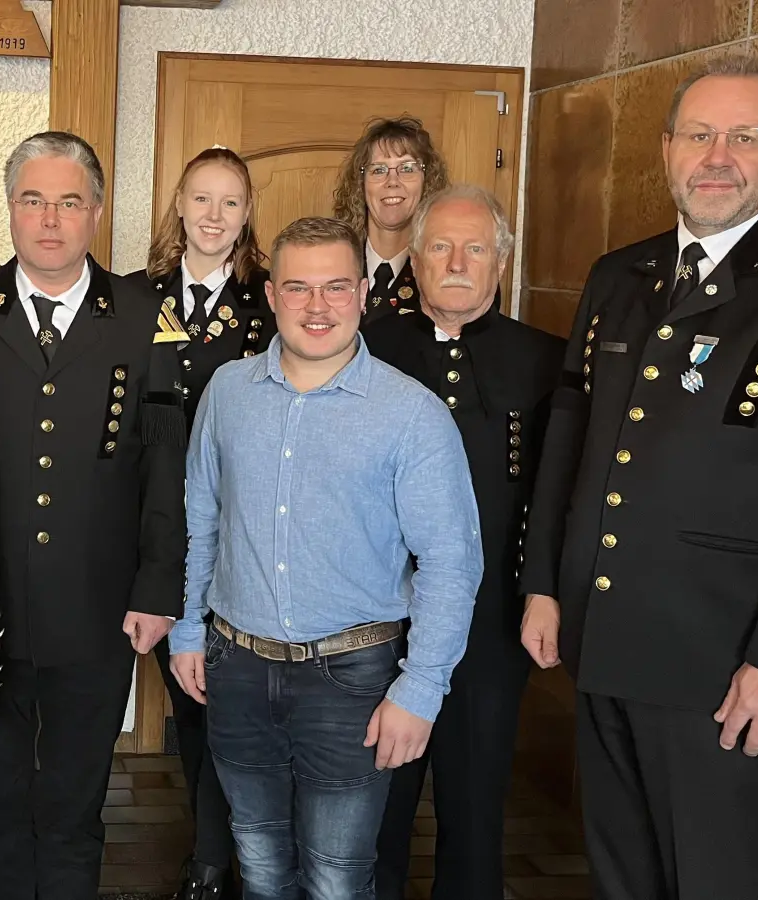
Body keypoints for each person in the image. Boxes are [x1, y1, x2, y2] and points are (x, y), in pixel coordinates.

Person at [519, 55, 758, 899]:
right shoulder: (618, 277)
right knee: (625, 876)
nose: (719, 155)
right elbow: (571, 443)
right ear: (667, 147)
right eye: (700, 134)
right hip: (605, 639)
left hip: (728, 666)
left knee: (725, 883)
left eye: (746, 136)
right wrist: (543, 586)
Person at [169, 215, 482, 900]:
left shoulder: (412, 414)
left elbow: (452, 563)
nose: (318, 307)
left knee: (338, 879)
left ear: (364, 292)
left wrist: (422, 688)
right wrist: (188, 628)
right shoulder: (226, 393)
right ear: (273, 294)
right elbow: (202, 517)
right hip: (238, 670)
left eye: (336, 287)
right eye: (299, 288)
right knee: (259, 864)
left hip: (354, 679)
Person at [0, 131, 188, 900]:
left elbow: (166, 465)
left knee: (78, 799)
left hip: (99, 602)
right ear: (9, 209)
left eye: (70, 202)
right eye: (33, 200)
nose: (50, 220)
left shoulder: (147, 317)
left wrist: (157, 585)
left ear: (98, 212)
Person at [363, 185, 564, 900]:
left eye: (474, 248)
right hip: (377, 621)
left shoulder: (548, 361)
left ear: (500, 262)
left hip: (490, 622)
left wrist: (545, 589)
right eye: (439, 247)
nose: (455, 262)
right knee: (373, 810)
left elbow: (557, 493)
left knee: (475, 806)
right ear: (413, 260)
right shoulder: (366, 348)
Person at [124, 145, 275, 899]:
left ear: (248, 216)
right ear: (178, 205)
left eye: (231, 203)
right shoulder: (128, 297)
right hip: (152, 528)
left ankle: (223, 859)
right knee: (190, 700)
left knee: (232, 706)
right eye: (201, 199)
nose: (214, 216)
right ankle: (213, 851)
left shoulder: (268, 302)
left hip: (241, 526)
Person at [331, 116, 449, 326]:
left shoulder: (446, 271)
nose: (392, 182)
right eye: (378, 170)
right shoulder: (333, 262)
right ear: (360, 184)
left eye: (407, 168)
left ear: (427, 181)